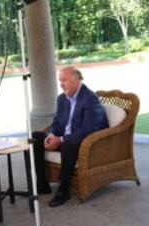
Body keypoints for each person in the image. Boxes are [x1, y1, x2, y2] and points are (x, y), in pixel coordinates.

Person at [33, 66, 109, 207]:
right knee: (35, 138)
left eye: (65, 80)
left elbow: (88, 129)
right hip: (66, 138)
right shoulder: (62, 99)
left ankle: (64, 190)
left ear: (77, 80)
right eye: (60, 80)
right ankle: (42, 184)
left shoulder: (90, 99)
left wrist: (60, 140)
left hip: (85, 141)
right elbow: (57, 122)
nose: (61, 84)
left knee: (69, 142)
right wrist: (51, 135)